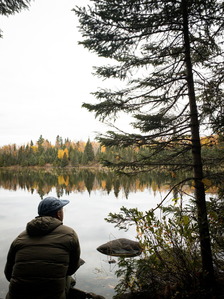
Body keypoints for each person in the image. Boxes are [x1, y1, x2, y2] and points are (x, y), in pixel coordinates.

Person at [4, 196, 81, 299]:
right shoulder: (70, 234)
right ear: (59, 214)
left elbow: (8, 274)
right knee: (69, 278)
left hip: (16, 296)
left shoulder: (20, 237)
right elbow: (72, 269)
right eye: (62, 210)